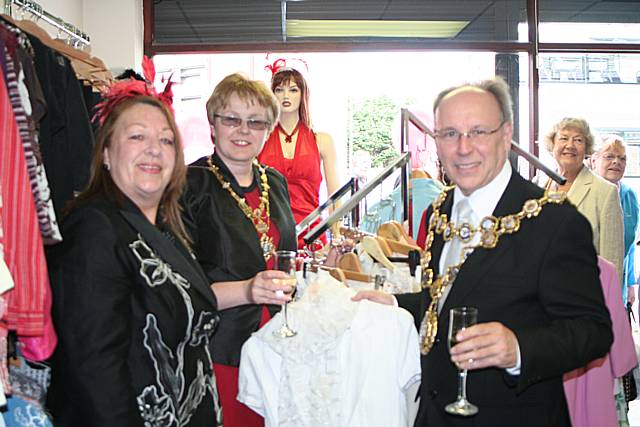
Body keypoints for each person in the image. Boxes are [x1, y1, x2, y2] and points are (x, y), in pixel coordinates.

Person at [354, 77, 613, 426]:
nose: (463, 148)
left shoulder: (554, 222)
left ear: (505, 136)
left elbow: (592, 332)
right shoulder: (439, 211)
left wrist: (517, 348)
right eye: (449, 133)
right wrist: (398, 304)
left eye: (478, 131)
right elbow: (449, 299)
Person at [46, 61, 225, 426]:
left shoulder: (164, 229)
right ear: (107, 154)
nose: (154, 149)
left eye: (166, 139)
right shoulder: (93, 230)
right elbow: (94, 371)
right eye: (137, 136)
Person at [181, 73, 297, 427]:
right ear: (213, 122)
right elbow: (183, 290)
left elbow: (282, 255)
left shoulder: (274, 182)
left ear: (269, 128)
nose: (243, 131)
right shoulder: (189, 185)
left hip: (278, 342)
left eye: (255, 122)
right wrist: (248, 289)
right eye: (231, 119)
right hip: (221, 349)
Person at [258, 66, 339, 247]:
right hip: (270, 236)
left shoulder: (322, 141)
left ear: (303, 94)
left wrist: (337, 233)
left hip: (312, 234)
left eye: (293, 89)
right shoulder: (259, 140)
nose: (286, 96)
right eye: (279, 90)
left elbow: (335, 195)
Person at [541, 117, 624, 281]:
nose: (570, 145)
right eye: (563, 138)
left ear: (587, 149)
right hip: (539, 296)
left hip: (583, 296)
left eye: (578, 140)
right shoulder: (539, 187)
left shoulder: (605, 192)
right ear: (553, 144)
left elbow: (612, 262)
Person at [591, 134, 639, 306]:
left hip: (620, 285)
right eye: (609, 156)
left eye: (622, 158)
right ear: (594, 161)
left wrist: (631, 283)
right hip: (588, 285)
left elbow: (630, 244)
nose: (616, 162)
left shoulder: (630, 196)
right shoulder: (587, 193)